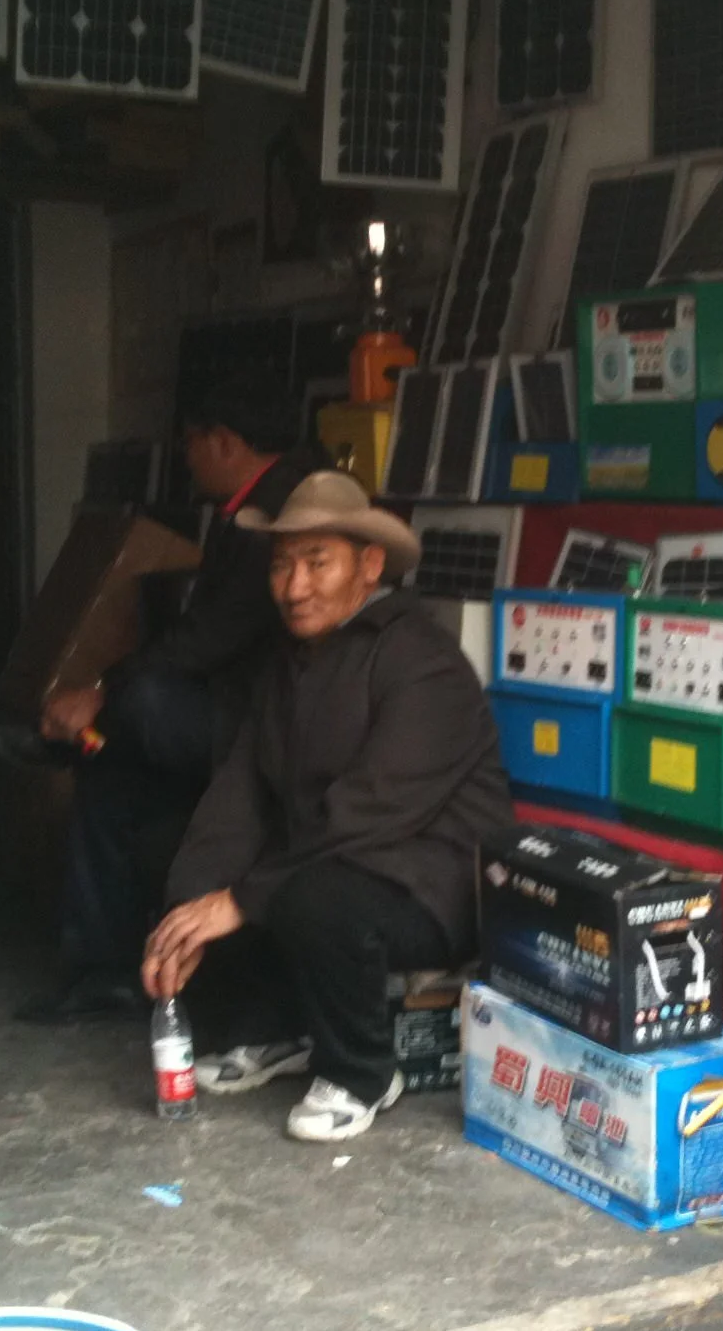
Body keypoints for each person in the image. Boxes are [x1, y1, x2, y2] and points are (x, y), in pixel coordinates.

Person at [140, 471, 513, 1143]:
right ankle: (276, 1030)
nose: (294, 587)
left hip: (432, 883)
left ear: (369, 566)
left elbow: (372, 809)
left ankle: (363, 1073)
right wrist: (187, 909)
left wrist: (240, 899)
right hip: (333, 857)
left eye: (318, 563)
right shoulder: (290, 662)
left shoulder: (421, 658)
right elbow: (240, 794)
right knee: (195, 863)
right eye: (282, 565)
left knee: (307, 895)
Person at [13, 385, 326, 1022]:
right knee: (108, 779)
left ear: (224, 442)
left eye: (191, 443)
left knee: (146, 701)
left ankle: (68, 738)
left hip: (264, 725)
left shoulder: (283, 505)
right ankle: (105, 971)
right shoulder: (248, 504)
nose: (186, 459)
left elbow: (214, 635)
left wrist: (103, 691)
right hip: (230, 710)